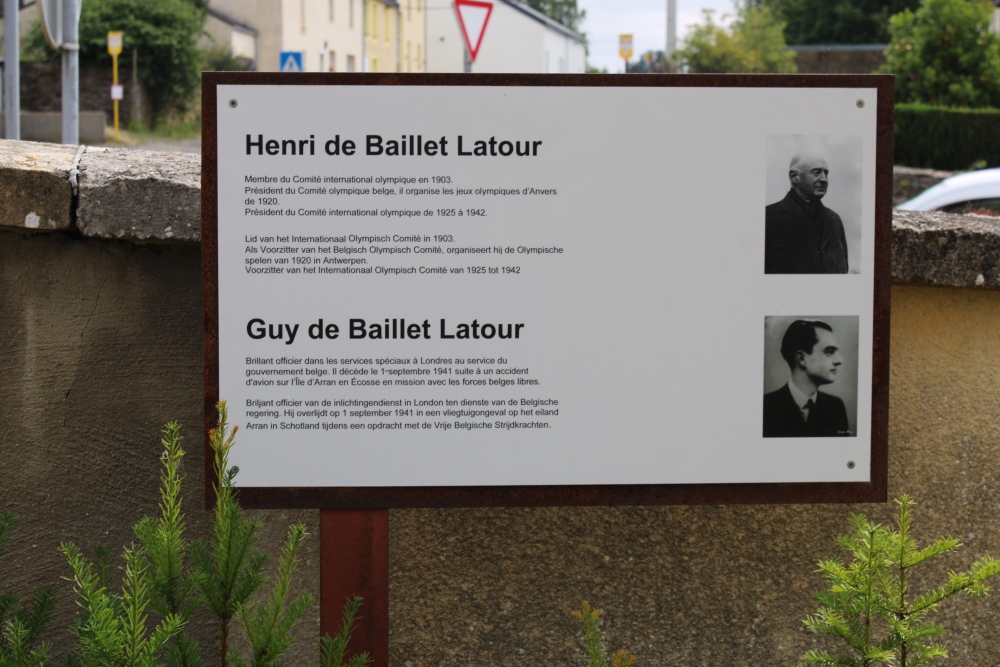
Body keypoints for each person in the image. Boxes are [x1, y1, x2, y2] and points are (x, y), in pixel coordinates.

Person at [763, 319, 850, 437]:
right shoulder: (766, 407)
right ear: (802, 359)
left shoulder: (835, 407)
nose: (839, 360)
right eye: (829, 351)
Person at [765, 152, 849, 274]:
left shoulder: (834, 220)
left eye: (826, 173)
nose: (824, 179)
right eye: (816, 172)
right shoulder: (769, 217)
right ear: (795, 176)